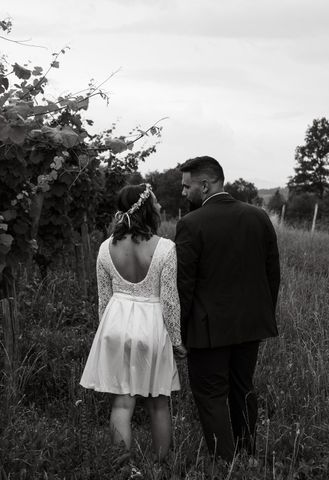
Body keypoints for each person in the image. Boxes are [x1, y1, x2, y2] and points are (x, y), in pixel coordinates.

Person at [175, 156, 280, 462]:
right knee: (242, 389)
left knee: (210, 395)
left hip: (207, 331)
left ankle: (226, 463)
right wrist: (263, 317)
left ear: (205, 185)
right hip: (250, 324)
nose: (183, 193)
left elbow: (184, 285)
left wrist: (178, 332)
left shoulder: (190, 225)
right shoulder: (259, 217)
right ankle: (246, 454)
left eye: (187, 186)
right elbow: (272, 274)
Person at [80, 183, 187, 465]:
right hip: (151, 326)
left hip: (115, 324)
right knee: (159, 403)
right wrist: (176, 340)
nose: (160, 207)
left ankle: (121, 467)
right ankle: (162, 466)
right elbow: (170, 301)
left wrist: (108, 333)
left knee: (122, 403)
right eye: (155, 202)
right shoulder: (165, 248)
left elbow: (103, 299)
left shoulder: (105, 248)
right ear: (144, 208)